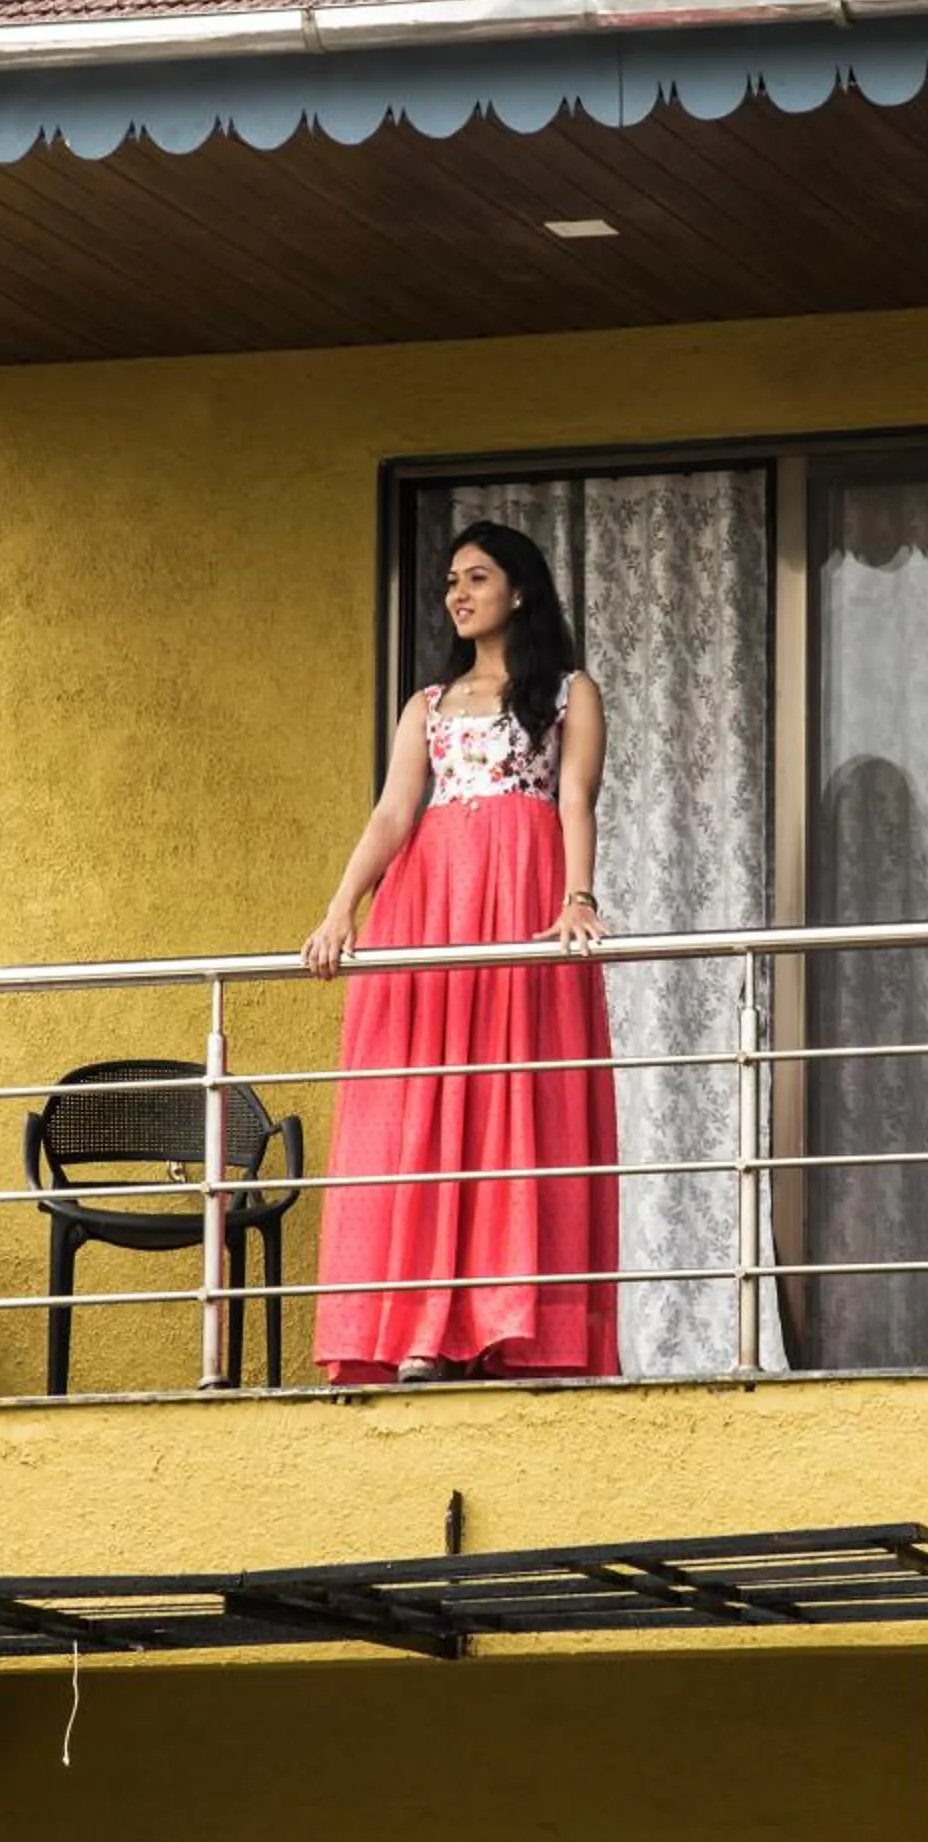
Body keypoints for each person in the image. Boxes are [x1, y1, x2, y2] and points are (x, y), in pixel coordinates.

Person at [301, 522, 621, 1384]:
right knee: (424, 1112)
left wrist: (577, 900)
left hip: (518, 899)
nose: (458, 593)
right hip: (429, 908)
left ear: (520, 591)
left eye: (477, 577)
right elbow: (391, 815)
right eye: (451, 581)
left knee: (508, 1103)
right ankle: (416, 1325)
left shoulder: (566, 691)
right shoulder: (428, 705)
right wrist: (340, 912)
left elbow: (576, 801)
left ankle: (503, 1324)